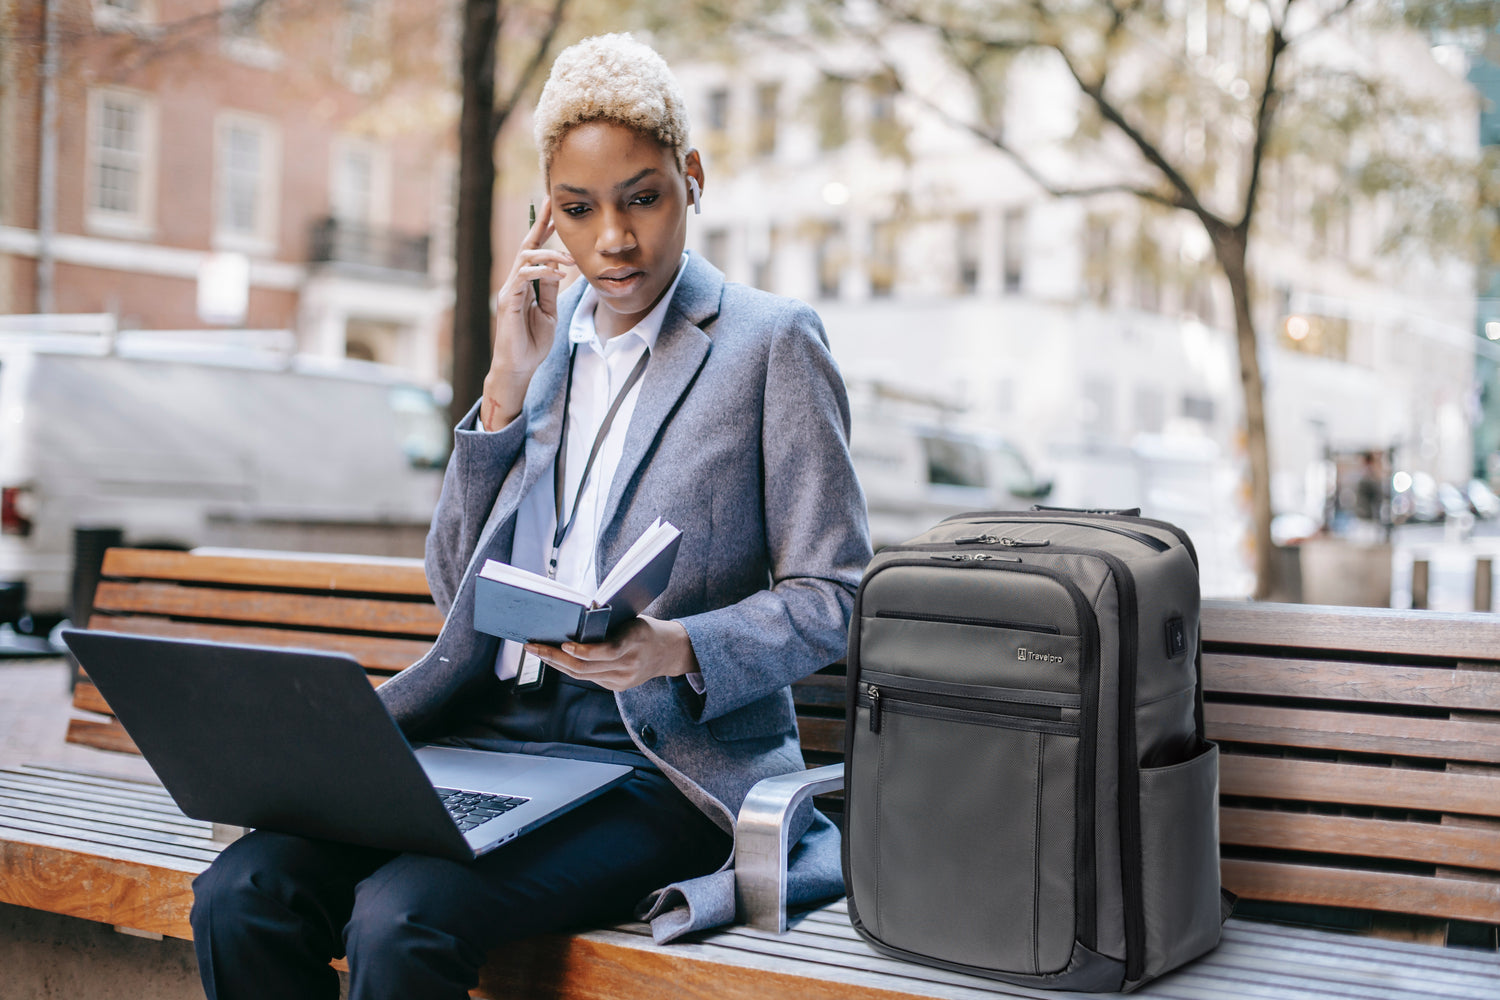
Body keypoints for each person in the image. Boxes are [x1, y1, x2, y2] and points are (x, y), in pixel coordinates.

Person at [188, 33, 871, 1000]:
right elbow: (451, 583)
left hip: (648, 761)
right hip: (485, 735)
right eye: (580, 210)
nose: (615, 241)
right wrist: (503, 397)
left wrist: (675, 647)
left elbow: (834, 595)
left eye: (642, 197)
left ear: (693, 179)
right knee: (242, 891)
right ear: (547, 212)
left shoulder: (769, 345)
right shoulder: (541, 348)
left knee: (402, 916)